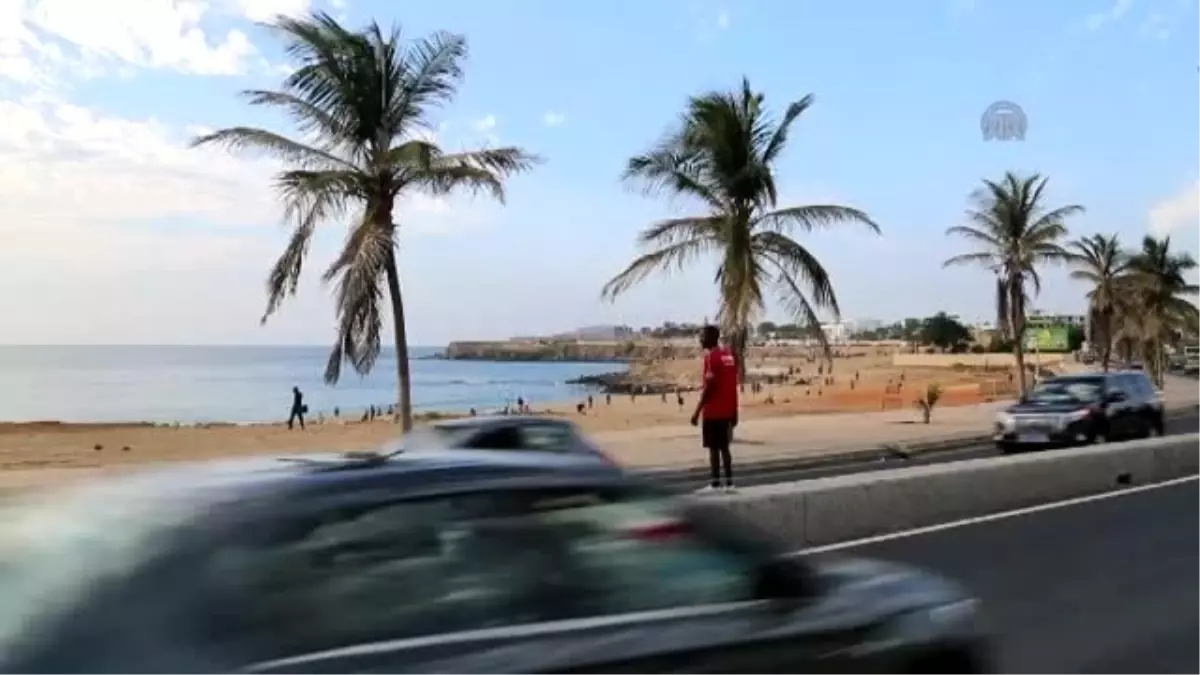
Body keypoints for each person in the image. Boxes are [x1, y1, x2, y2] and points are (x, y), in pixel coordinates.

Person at [690, 325, 738, 493]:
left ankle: (715, 484)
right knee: (725, 448)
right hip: (728, 410)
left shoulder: (711, 357)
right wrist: (735, 411)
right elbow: (732, 384)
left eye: (702, 336)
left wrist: (697, 412)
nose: (700, 339)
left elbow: (709, 387)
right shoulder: (729, 355)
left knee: (713, 449)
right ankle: (730, 483)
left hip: (714, 411)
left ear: (711, 338)